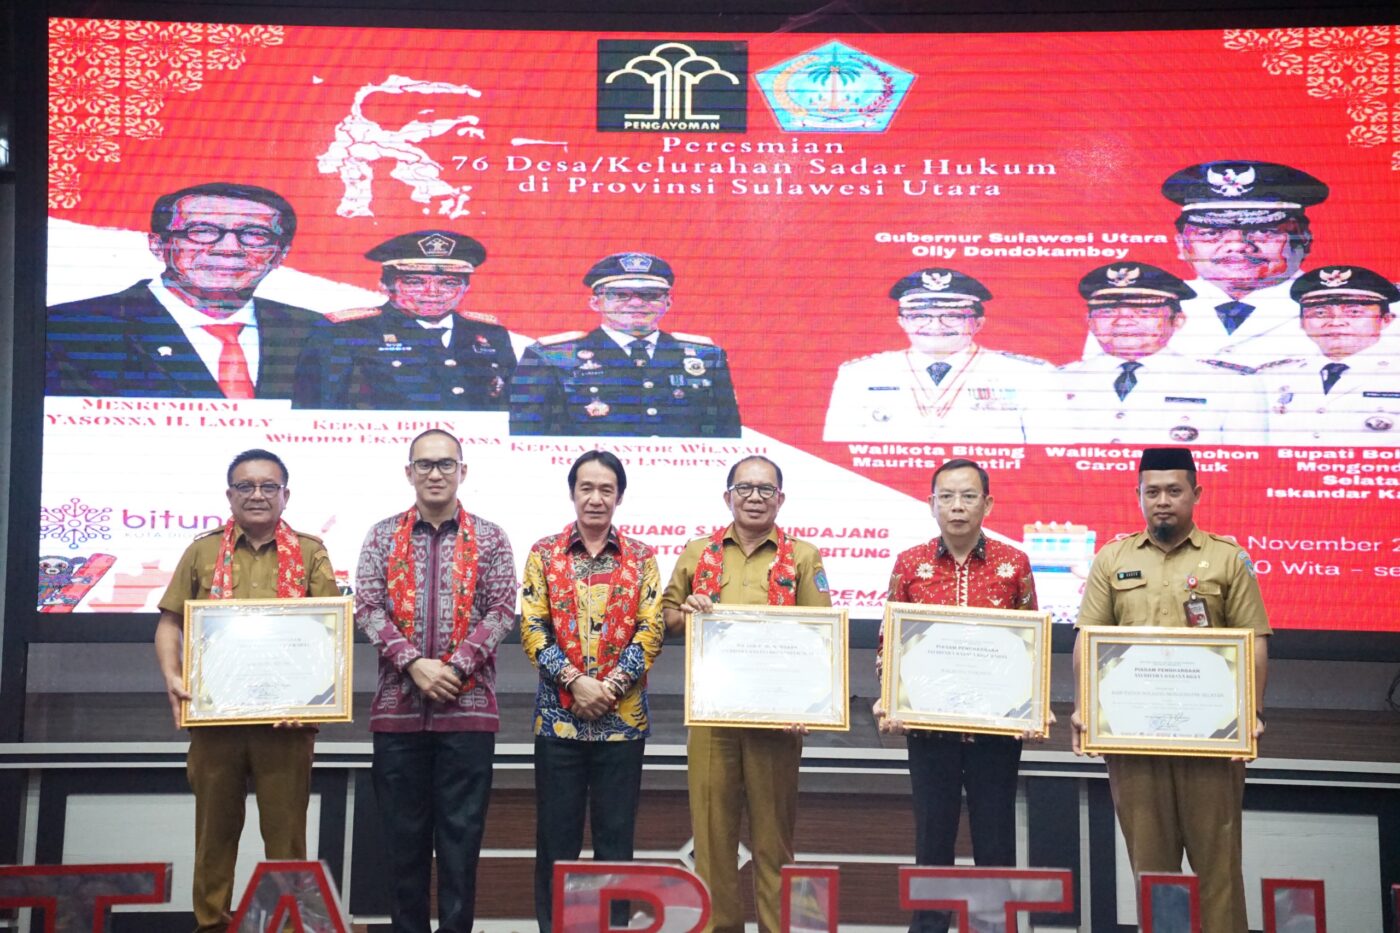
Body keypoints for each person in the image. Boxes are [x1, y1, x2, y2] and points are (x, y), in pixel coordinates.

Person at [1071, 447, 1270, 933]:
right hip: (1134, 741)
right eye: (1152, 491)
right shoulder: (1111, 558)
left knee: (1218, 868)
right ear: (1138, 495)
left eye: (1174, 491)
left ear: (1195, 494)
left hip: (1211, 741)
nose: (1163, 501)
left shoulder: (1227, 559)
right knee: (1152, 869)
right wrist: (1083, 710)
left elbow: (1254, 641)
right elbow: (1087, 641)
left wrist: (1252, 714)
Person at [152, 449, 339, 933]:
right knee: (214, 837)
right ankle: (211, 924)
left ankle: (288, 924)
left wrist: (310, 698)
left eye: (268, 486)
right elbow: (171, 622)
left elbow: (326, 634)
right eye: (246, 486)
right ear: (230, 494)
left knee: (286, 841)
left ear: (285, 494)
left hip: (286, 726)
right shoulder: (202, 551)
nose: (257, 495)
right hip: (216, 722)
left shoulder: (312, 551)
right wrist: (173, 676)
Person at [353, 429, 518, 933]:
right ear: (409, 473)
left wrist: (456, 667)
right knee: (402, 847)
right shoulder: (382, 536)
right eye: (424, 465)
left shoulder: (490, 537)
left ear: (462, 471)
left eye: (446, 464)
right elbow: (367, 606)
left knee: (460, 844)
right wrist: (413, 663)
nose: (435, 473)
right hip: (398, 715)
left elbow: (502, 610)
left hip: (467, 716)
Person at [661, 456, 832, 933]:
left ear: (780, 498)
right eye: (745, 488)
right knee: (712, 844)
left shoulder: (803, 556)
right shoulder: (699, 552)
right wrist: (688, 610)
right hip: (712, 720)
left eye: (765, 490)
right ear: (728, 496)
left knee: (773, 846)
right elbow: (665, 618)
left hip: (777, 723)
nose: (754, 497)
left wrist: (810, 709)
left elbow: (821, 638)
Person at [873, 458, 1039, 933]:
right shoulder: (910, 563)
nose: (957, 507)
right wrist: (890, 699)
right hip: (929, 728)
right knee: (932, 841)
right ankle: (929, 927)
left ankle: (993, 926)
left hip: (996, 732)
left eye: (968, 496)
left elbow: (1032, 643)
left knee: (996, 841)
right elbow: (891, 639)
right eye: (946, 497)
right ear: (931, 505)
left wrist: (1032, 703)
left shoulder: (1014, 563)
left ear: (987, 503)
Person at [520, 450, 664, 930]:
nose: (596, 498)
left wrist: (610, 688)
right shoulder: (543, 553)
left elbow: (651, 631)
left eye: (606, 489)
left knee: (615, 844)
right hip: (558, 724)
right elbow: (533, 628)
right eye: (587, 488)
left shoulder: (642, 558)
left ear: (619, 496)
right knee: (556, 844)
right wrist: (576, 682)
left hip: (622, 728)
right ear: (572, 493)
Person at [47, 182, 321, 399]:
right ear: (158, 245)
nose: (228, 249)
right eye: (201, 231)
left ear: (279, 255)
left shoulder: (315, 332)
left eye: (255, 235)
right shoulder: (69, 329)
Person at [1027, 263, 1266, 446]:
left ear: (1178, 320)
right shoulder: (1052, 381)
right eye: (1108, 311)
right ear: (1089, 322)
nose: (1123, 321)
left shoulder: (1231, 385)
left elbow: (1246, 469)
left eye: (1143, 310)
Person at [509, 252, 741, 436]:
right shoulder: (552, 357)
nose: (636, 303)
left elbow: (726, 434)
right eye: (620, 295)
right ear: (595, 302)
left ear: (668, 302)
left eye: (650, 295)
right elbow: (528, 438)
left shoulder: (706, 358)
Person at [292, 231, 516, 410]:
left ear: (466, 288)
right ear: (385, 286)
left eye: (448, 283)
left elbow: (509, 405)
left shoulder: (490, 334)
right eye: (415, 282)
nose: (432, 292)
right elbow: (318, 408)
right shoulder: (347, 332)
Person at [823, 268, 1051, 443]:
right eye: (920, 316)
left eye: (952, 316)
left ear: (979, 323)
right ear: (902, 322)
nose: (935, 326)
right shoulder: (860, 375)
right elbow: (839, 453)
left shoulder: (1029, 375)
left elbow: (1051, 456)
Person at [1151, 159, 1330, 365]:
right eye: (1211, 233)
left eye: (1263, 231)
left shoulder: (1343, 312)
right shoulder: (1144, 312)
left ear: (1304, 240)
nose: (1237, 245)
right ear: (1182, 245)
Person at [1258, 265, 1399, 446]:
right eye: (1320, 313)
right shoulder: (1270, 377)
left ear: (1386, 319)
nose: (1336, 322)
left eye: (1354, 312)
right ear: (1302, 322)